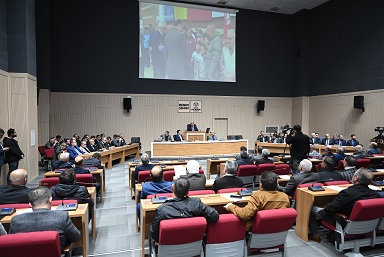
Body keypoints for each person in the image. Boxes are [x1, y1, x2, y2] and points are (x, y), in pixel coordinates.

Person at [309, 168, 377, 242]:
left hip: (344, 221)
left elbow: (331, 209)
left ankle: (315, 234)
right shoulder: (374, 194)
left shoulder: (347, 193)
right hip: (367, 224)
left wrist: (326, 205)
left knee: (311, 208)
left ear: (356, 178)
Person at [9, 186, 81, 252]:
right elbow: (76, 237)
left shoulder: (16, 221)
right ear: (50, 200)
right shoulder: (62, 216)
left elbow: (11, 244)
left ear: (30, 204)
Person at [149, 177, 219, 243]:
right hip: (193, 246)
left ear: (172, 188)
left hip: (168, 247)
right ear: (188, 192)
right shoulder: (197, 205)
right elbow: (214, 216)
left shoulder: (162, 210)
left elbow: (154, 235)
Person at [224, 171, 290, 229]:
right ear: (277, 183)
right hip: (278, 230)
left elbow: (245, 214)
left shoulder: (258, 196)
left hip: (257, 231)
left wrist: (231, 207)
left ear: (261, 185)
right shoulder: (285, 197)